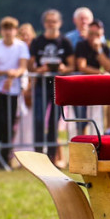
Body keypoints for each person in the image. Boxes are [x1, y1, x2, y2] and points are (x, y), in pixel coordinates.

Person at [29, 9, 74, 165]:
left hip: (57, 87)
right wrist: (39, 70)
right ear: (44, 23)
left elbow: (72, 65)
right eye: (48, 21)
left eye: (54, 21)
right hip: (41, 85)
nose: (51, 24)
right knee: (39, 120)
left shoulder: (65, 42)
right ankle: (38, 158)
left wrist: (63, 68)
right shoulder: (37, 41)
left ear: (59, 23)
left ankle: (51, 158)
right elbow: (31, 66)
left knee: (54, 124)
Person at [0, 17, 30, 170]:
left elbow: (22, 67)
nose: (8, 32)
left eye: (11, 28)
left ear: (15, 30)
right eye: (5, 28)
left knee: (10, 125)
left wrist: (12, 76)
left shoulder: (21, 46)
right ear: (1, 31)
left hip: (13, 93)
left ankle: (5, 157)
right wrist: (9, 73)